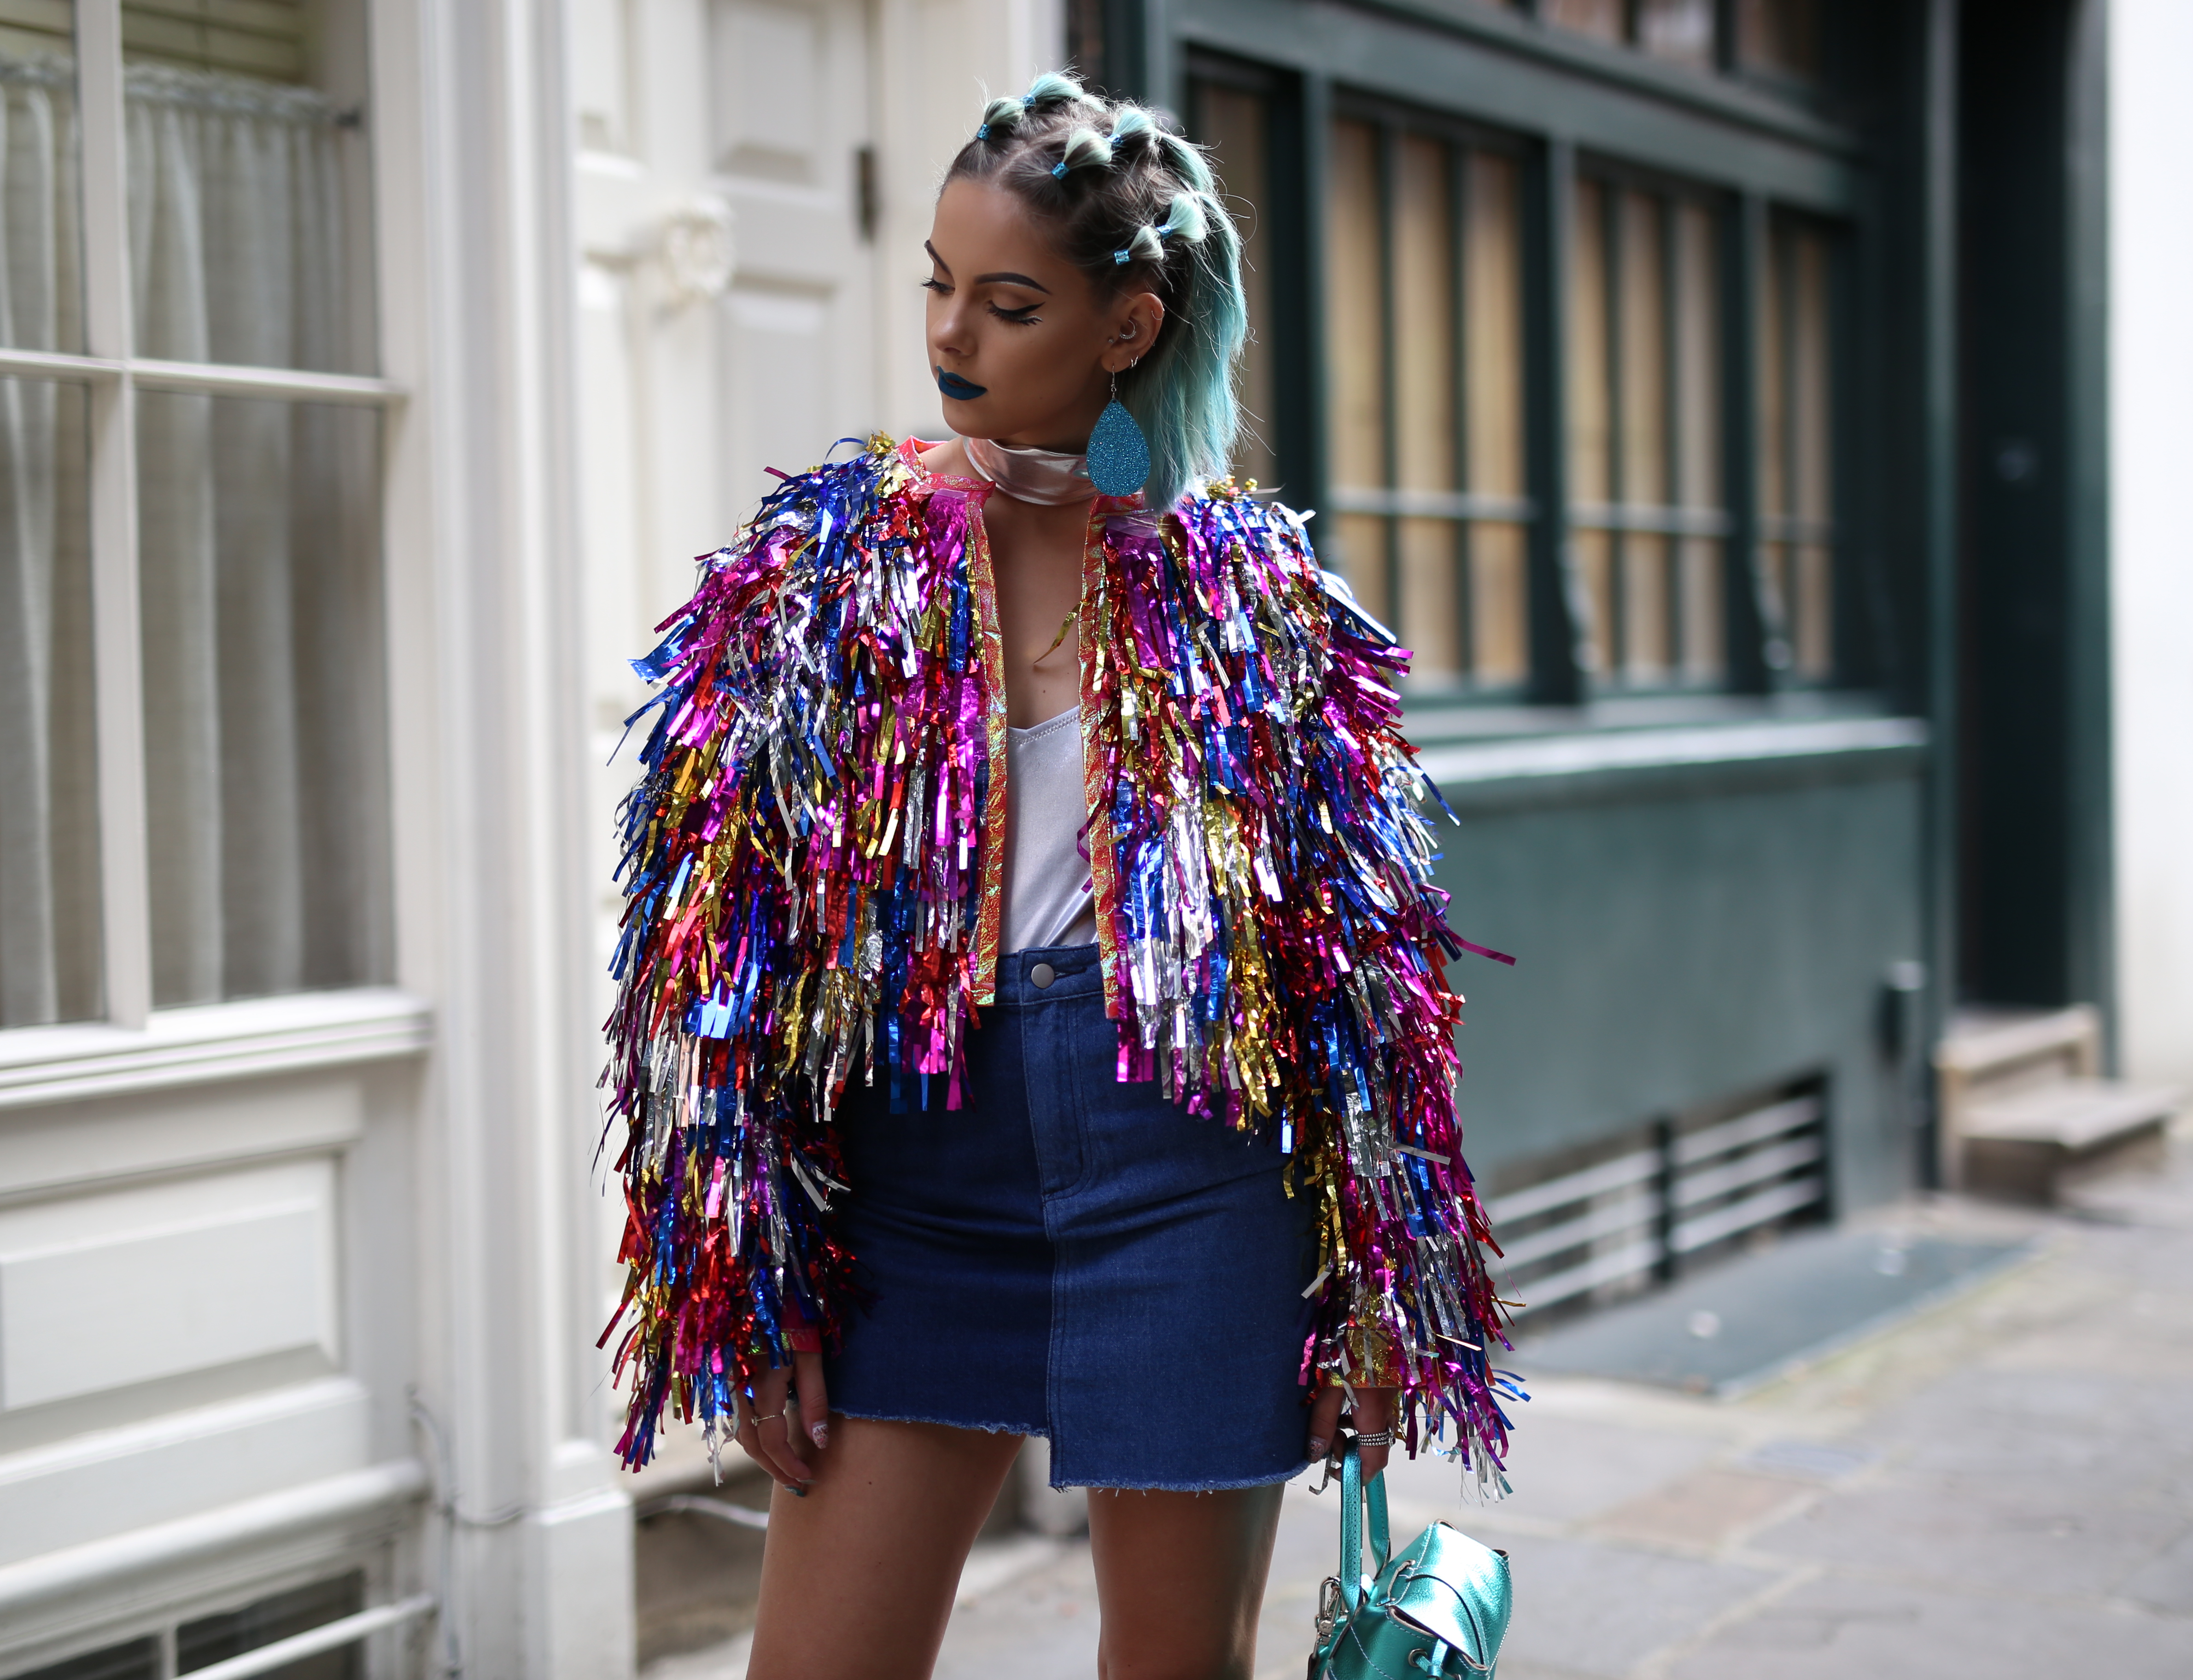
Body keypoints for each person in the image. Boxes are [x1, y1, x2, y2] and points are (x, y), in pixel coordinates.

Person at [601, 72, 1514, 1680]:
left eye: (1008, 302)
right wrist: (739, 1277)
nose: (953, 335)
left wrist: (1384, 1279)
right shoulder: (820, 567)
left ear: (1128, 327)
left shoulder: (1253, 595)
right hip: (909, 1184)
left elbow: (1368, 968)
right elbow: (698, 958)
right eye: (939, 288)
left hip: (1189, 1174)